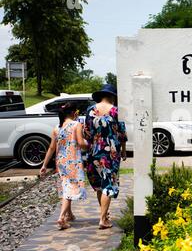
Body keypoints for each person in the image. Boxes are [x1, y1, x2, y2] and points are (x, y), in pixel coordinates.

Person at [83, 84, 127, 230]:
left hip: (94, 151)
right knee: (108, 183)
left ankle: (105, 214)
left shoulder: (90, 110)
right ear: (112, 96)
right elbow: (121, 133)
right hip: (110, 152)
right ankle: (103, 219)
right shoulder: (116, 111)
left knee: (100, 185)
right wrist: (124, 150)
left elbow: (86, 133)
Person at [40, 102, 88, 230]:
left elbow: (51, 148)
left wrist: (44, 165)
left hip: (60, 162)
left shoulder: (57, 128)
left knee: (66, 186)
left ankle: (69, 214)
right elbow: (81, 143)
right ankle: (61, 217)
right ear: (74, 113)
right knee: (71, 188)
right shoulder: (76, 125)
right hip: (73, 161)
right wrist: (90, 144)